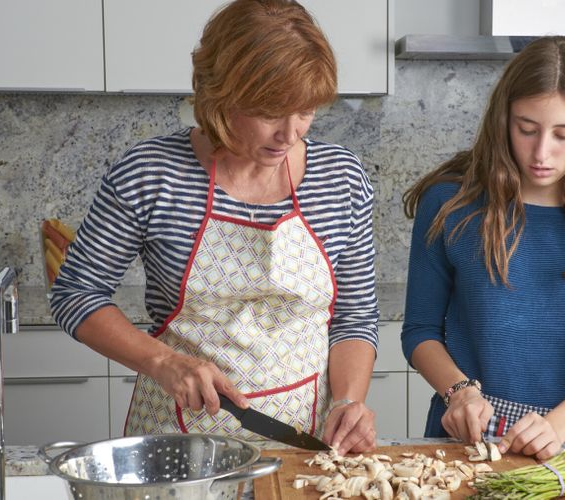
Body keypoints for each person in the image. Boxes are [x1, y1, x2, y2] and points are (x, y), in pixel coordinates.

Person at [50, 0, 379, 455]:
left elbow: (354, 317)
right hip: (180, 435)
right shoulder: (151, 173)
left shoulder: (340, 178)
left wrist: (348, 400)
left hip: (308, 436)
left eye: (305, 111)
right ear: (220, 95)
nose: (290, 134)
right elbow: (76, 294)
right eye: (270, 111)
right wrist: (163, 362)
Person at [401, 36, 565, 460]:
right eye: (526, 129)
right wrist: (459, 392)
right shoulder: (449, 204)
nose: (541, 153)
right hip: (470, 440)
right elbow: (420, 332)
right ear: (504, 120)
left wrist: (555, 427)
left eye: (564, 134)